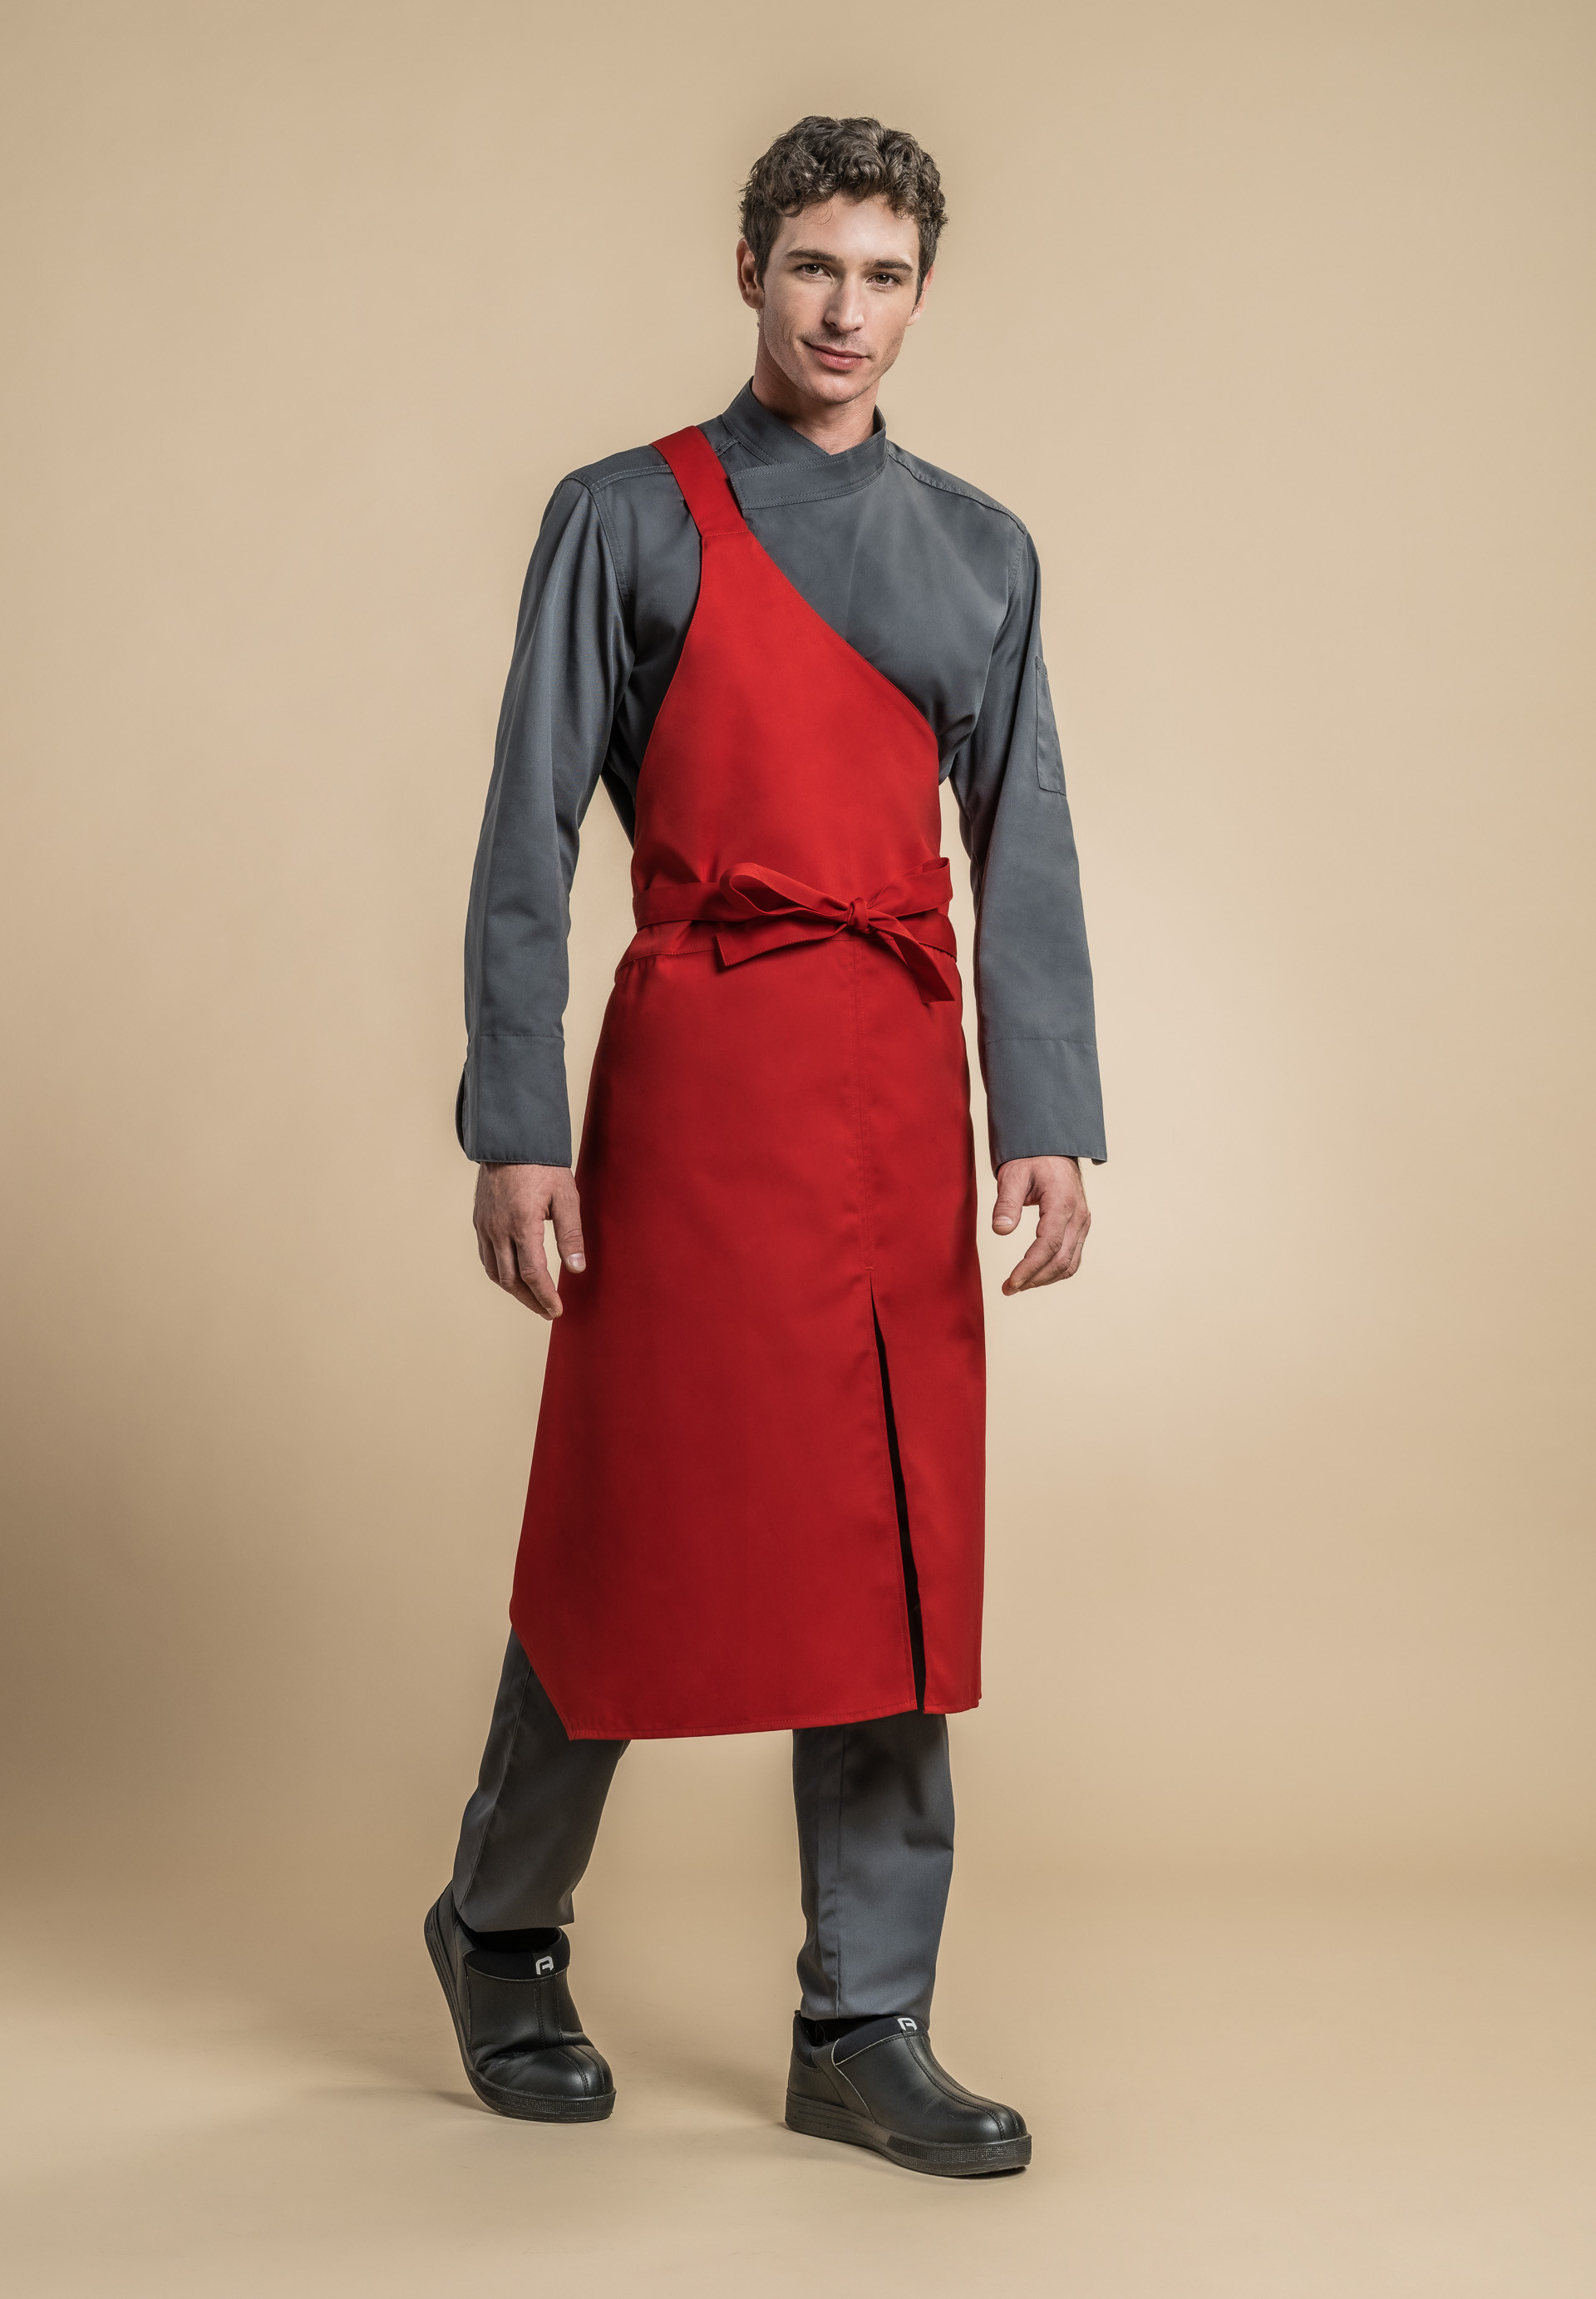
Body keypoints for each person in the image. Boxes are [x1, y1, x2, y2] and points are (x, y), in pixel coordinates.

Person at [427, 115, 1105, 2180]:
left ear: (923, 295)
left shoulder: (983, 549)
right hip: (698, 1074)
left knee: (892, 1545)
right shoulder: (623, 515)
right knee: (642, 1521)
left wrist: (1049, 1119)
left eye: (884, 276)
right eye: (814, 265)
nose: (845, 312)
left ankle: (864, 2020)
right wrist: (516, 1122)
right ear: (750, 271)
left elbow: (1025, 846)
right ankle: (500, 1930)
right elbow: (527, 832)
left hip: (897, 1089)